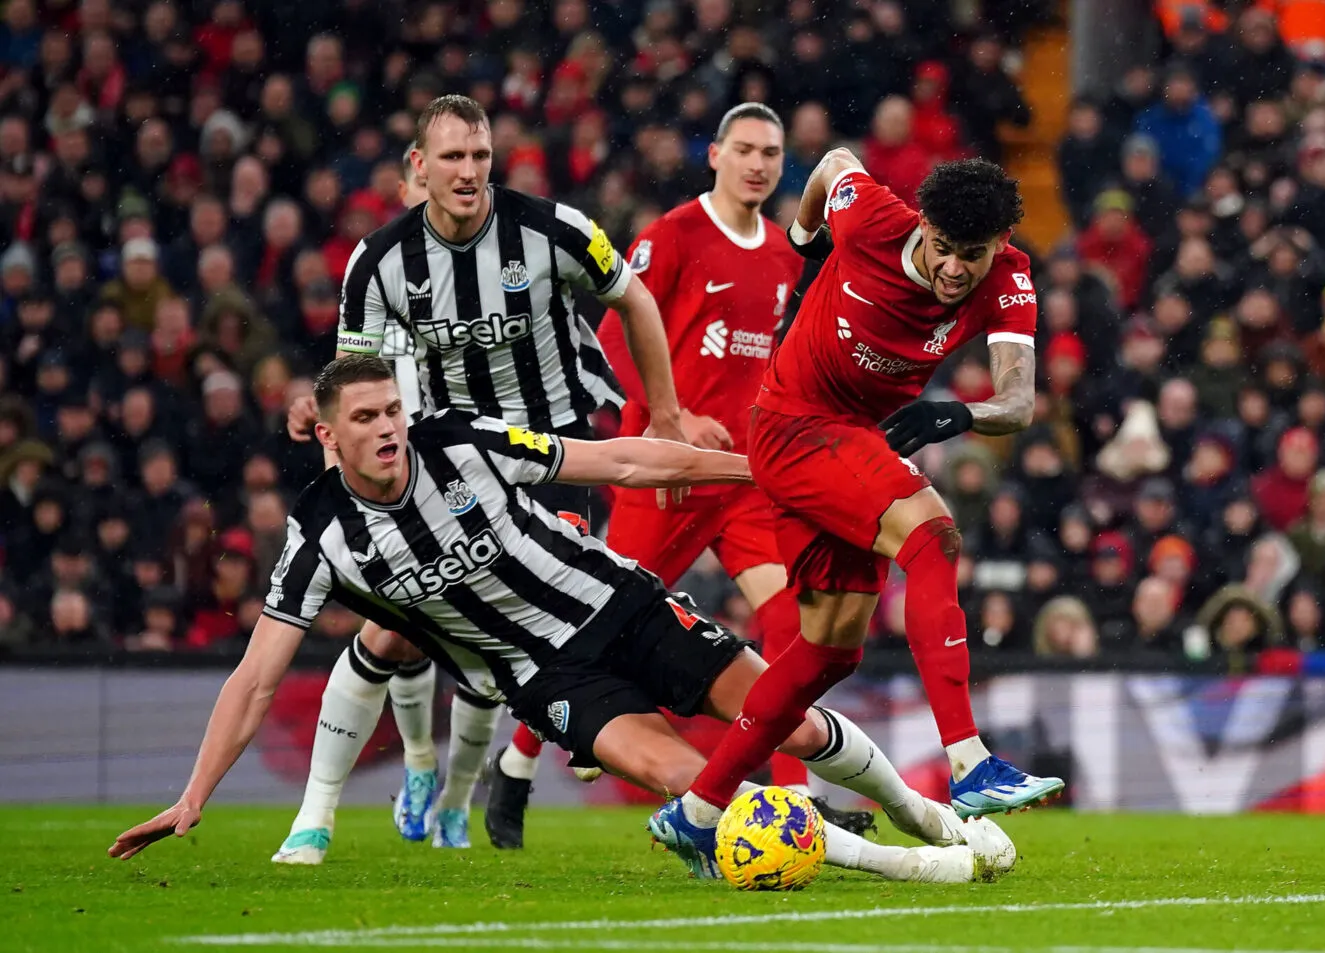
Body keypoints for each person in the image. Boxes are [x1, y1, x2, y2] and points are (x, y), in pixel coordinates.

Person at [108, 355, 1017, 886]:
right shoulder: (319, 538)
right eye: (367, 418)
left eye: (393, 409)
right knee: (686, 775)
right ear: (327, 434)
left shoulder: (458, 441)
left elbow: (616, 459)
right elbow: (256, 676)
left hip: (621, 604)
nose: (389, 427)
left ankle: (915, 808)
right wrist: (194, 796)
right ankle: (915, 868)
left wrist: (762, 469)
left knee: (787, 716)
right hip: (548, 678)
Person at [274, 95, 686, 861]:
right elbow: (355, 379)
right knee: (393, 630)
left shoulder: (555, 230)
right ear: (418, 168)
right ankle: (325, 811)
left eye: (481, 156)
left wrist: (664, 414)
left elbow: (633, 296)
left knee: (512, 648)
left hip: (556, 453)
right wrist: (347, 483)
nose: (469, 172)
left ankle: (466, 793)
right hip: (449, 458)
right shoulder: (380, 260)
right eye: (453, 158)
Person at [648, 152, 1064, 874]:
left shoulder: (1010, 276)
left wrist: (957, 415)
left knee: (828, 650)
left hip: (853, 442)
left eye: (974, 255)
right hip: (792, 425)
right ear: (924, 225)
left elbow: (1019, 400)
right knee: (933, 535)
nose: (956, 270)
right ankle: (969, 762)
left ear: (999, 244)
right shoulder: (869, 216)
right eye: (943, 248)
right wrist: (805, 235)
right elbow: (834, 162)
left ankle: (698, 809)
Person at [484, 102, 873, 849]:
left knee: (791, 627)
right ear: (716, 155)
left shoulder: (786, 255)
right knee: (588, 631)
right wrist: (677, 414)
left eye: (772, 152)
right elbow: (611, 344)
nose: (759, 163)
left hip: (741, 480)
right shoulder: (673, 234)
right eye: (746, 149)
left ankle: (797, 802)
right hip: (663, 476)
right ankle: (517, 762)